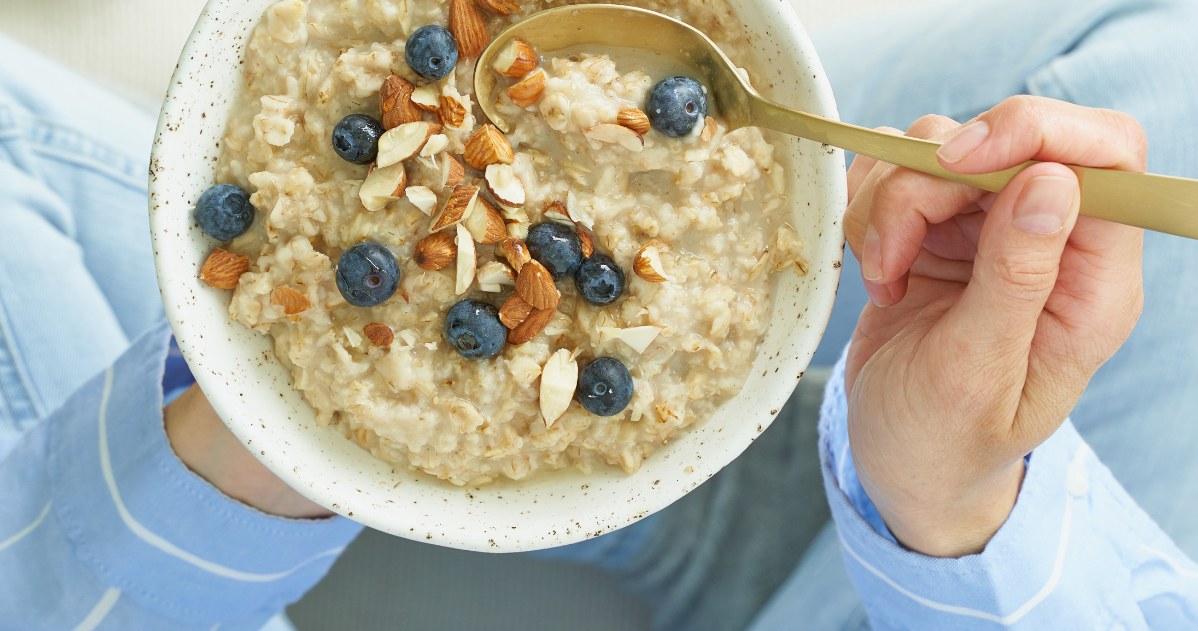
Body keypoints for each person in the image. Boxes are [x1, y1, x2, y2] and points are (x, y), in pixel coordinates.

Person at [1, 1, 1196, 631]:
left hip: (757, 475)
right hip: (807, 453)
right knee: (1173, 73)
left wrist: (958, 512)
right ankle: (709, 515)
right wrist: (947, 493)